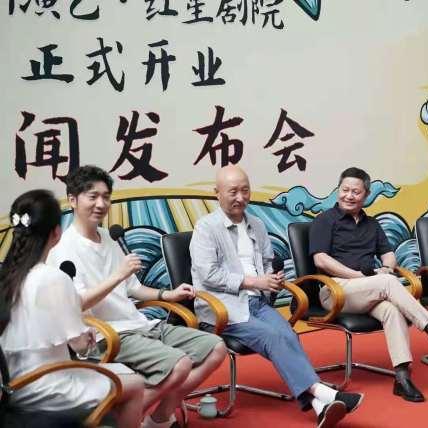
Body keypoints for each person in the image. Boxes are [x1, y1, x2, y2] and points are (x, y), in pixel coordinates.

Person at [47, 165, 227, 428]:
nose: (101, 204)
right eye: (92, 196)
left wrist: (168, 294)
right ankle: (115, 419)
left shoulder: (107, 237)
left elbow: (133, 288)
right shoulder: (64, 249)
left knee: (215, 348)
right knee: (179, 365)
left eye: (106, 197)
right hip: (108, 335)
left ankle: (158, 419)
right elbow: (76, 304)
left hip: (141, 325)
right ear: (73, 200)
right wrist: (117, 275)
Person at [190, 165, 364, 428]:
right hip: (222, 308)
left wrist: (271, 279)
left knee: (289, 335)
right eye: (233, 192)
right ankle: (327, 394)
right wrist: (253, 281)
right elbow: (209, 274)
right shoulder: (206, 227)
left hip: (257, 302)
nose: (240, 197)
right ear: (217, 193)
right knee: (272, 336)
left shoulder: (257, 224)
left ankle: (320, 407)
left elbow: (267, 262)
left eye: (245, 190)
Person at [0, 189, 145, 428]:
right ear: (56, 233)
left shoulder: (7, 276)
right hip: (47, 387)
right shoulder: (53, 278)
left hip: (12, 386)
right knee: (136, 384)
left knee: (116, 373)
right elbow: (80, 346)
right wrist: (87, 336)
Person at [309, 166, 428, 403]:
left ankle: (402, 378)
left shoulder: (372, 224)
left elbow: (388, 254)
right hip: (335, 291)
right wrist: (358, 276)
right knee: (386, 282)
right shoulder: (325, 220)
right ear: (338, 190)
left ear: (366, 195)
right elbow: (320, 259)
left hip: (367, 290)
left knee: (392, 310)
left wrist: (387, 267)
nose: (349, 196)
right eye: (345, 190)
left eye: (356, 192)